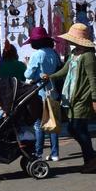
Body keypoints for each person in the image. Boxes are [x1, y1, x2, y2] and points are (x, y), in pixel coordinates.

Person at [43, 23, 96, 173]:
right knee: (76, 128)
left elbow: (92, 78)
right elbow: (65, 71)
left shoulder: (88, 56)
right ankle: (91, 158)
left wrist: (95, 99)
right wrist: (50, 76)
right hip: (71, 96)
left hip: (83, 97)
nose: (68, 42)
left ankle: (92, 159)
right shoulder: (75, 53)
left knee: (76, 127)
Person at [24, 27, 62, 162]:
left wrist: (27, 65)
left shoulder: (37, 55)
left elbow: (28, 74)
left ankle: (38, 152)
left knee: (39, 123)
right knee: (53, 123)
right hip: (54, 92)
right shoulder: (54, 53)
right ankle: (55, 153)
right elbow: (59, 68)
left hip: (40, 93)